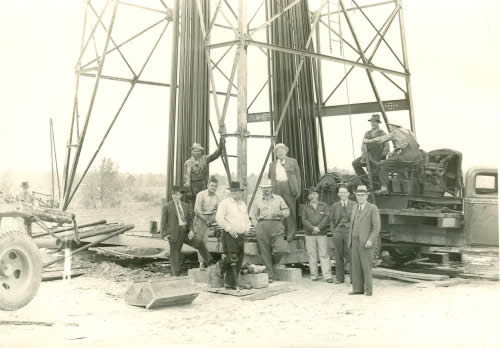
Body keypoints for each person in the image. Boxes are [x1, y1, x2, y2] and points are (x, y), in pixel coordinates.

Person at [160, 185, 213, 276]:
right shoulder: (167, 207)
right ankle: (176, 276)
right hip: (174, 234)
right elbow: (162, 222)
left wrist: (191, 231)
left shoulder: (186, 206)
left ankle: (211, 264)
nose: (174, 196)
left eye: (177, 194)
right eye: (173, 194)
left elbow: (190, 220)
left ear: (181, 195)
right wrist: (164, 235)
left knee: (200, 243)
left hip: (186, 232)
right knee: (175, 255)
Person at [363, 123, 423, 194]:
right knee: (399, 166)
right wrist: (396, 150)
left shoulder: (396, 131)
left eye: (390, 127)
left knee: (383, 165)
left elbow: (381, 139)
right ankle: (402, 189)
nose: (389, 129)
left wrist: (367, 141)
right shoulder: (409, 131)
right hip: (417, 158)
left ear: (395, 126)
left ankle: (384, 188)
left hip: (406, 157)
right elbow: (412, 144)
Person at [250, 179, 290, 283]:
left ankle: (273, 264)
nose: (266, 190)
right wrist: (257, 226)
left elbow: (287, 211)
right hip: (262, 226)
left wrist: (280, 213)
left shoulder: (278, 199)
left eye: (267, 188)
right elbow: (252, 216)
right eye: (264, 188)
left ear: (271, 188)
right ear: (261, 189)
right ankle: (270, 274)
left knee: (280, 249)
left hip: (276, 225)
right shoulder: (258, 201)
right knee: (265, 251)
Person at [215, 182, 252, 290]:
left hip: (241, 235)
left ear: (240, 192)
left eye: (237, 191)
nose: (235, 193)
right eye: (233, 191)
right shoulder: (225, 203)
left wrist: (247, 229)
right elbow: (219, 219)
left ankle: (229, 283)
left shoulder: (242, 204)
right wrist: (229, 230)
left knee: (239, 258)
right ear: (230, 192)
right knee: (233, 258)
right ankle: (232, 281)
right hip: (230, 234)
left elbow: (246, 219)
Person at [348, 185, 381, 296]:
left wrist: (370, 240)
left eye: (362, 195)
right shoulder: (354, 208)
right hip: (354, 241)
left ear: (367, 196)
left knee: (366, 267)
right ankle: (357, 289)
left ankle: (368, 291)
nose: (360, 197)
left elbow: (376, 227)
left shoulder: (372, 208)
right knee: (356, 266)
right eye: (358, 195)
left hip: (366, 242)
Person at [268, 143, 301, 244]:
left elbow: (298, 176)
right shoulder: (272, 164)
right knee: (278, 210)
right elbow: (270, 178)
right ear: (276, 154)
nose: (280, 152)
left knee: (290, 209)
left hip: (289, 187)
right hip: (277, 187)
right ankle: (281, 233)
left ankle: (291, 233)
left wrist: (298, 190)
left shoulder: (293, 161)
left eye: (282, 150)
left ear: (286, 151)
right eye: (278, 151)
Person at [302, 186, 332, 283]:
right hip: (309, 234)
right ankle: (314, 275)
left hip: (321, 233)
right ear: (309, 196)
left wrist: (318, 227)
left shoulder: (324, 205)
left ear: (318, 195)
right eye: (311, 194)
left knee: (324, 254)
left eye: (315, 193)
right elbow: (304, 220)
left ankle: (327, 276)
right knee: (312, 255)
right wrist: (312, 228)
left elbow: (327, 218)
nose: (313, 196)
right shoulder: (305, 207)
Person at [183, 139, 224, 208]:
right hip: (192, 188)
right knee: (193, 206)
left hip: (203, 185)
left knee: (204, 204)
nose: (197, 152)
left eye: (198, 151)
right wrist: (188, 191)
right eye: (195, 151)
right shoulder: (188, 163)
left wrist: (220, 145)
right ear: (192, 152)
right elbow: (186, 178)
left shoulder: (205, 159)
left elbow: (215, 155)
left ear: (201, 152)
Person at [352, 114, 389, 187]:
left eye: (374, 122)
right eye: (371, 122)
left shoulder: (382, 133)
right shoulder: (367, 133)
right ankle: (367, 182)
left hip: (377, 157)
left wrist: (382, 157)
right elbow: (363, 145)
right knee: (355, 163)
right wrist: (363, 155)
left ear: (378, 123)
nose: (372, 123)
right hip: (367, 155)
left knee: (374, 173)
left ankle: (375, 186)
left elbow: (386, 146)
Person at [330, 184, 357, 284]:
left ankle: (354, 279)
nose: (342, 194)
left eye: (344, 192)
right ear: (338, 194)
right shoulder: (335, 205)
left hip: (349, 233)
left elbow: (357, 220)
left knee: (351, 256)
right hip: (338, 233)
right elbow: (331, 220)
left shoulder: (354, 204)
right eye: (341, 192)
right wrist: (334, 232)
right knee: (338, 255)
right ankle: (339, 278)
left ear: (348, 194)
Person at [193, 175, 220, 269]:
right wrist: (206, 220)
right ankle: (201, 263)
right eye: (212, 185)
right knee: (200, 242)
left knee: (206, 241)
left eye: (215, 186)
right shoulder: (201, 195)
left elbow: (218, 210)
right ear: (208, 185)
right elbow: (197, 210)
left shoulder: (217, 197)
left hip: (210, 219)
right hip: (201, 219)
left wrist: (213, 219)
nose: (213, 188)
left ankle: (206, 261)